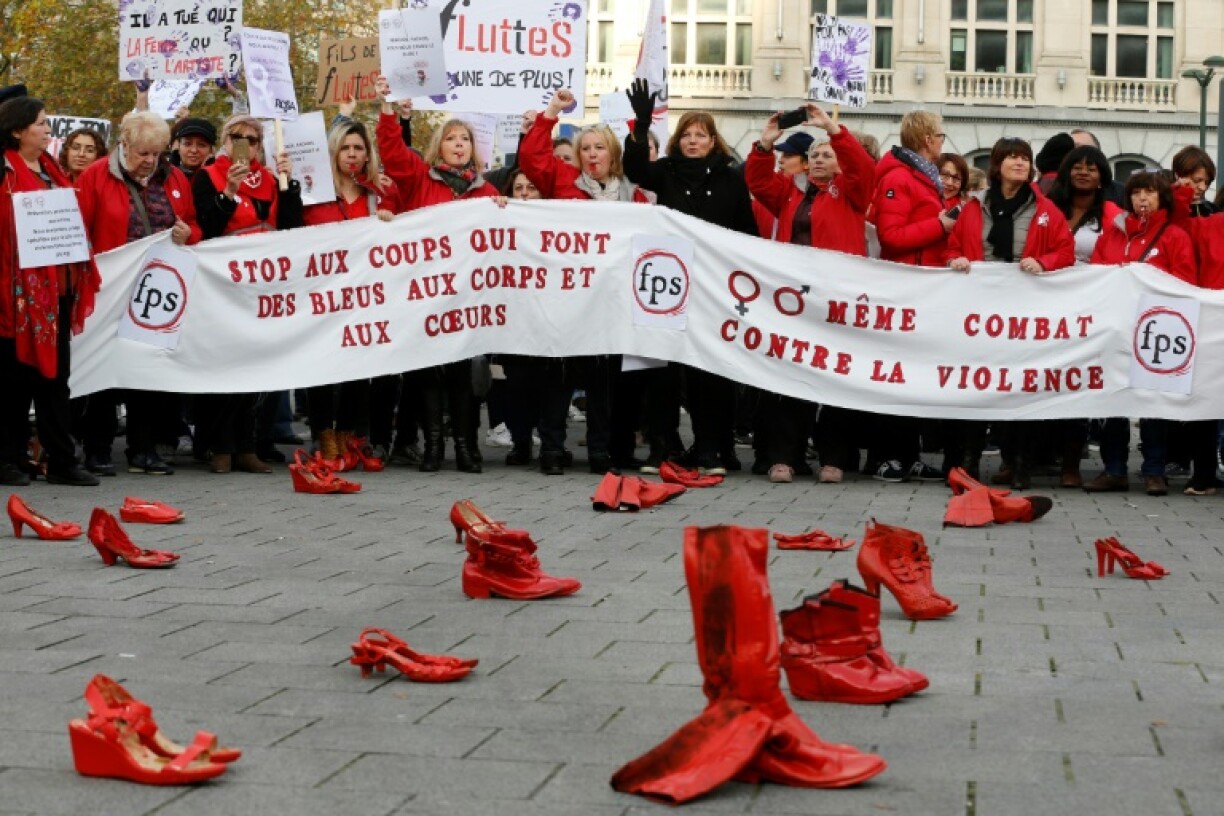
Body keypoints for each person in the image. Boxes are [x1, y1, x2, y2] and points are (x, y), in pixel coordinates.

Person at [624, 79, 758, 476]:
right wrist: (642, 125)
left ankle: (709, 449)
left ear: (714, 141)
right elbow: (634, 170)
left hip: (712, 286)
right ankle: (662, 447)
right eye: (687, 135)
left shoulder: (731, 179)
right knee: (664, 372)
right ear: (677, 141)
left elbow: (746, 232)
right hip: (668, 286)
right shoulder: (664, 173)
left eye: (701, 135)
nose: (693, 141)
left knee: (709, 373)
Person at [518, 89, 655, 475]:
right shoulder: (563, 180)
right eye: (586, 149)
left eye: (599, 148)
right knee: (559, 378)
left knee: (601, 382)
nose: (592, 155)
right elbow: (531, 158)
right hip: (567, 300)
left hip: (609, 303)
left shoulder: (633, 196)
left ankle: (599, 453)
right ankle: (552, 450)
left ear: (612, 153)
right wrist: (551, 113)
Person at [375, 74, 503, 474]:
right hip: (427, 290)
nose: (459, 144)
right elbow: (393, 153)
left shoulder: (487, 192)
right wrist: (386, 109)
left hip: (468, 295)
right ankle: (432, 447)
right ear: (439, 147)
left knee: (465, 372)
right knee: (428, 369)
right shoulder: (418, 178)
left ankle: (464, 447)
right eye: (451, 139)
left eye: (465, 139)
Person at [745, 103, 874, 484]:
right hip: (794, 301)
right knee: (792, 378)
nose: (819, 159)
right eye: (814, 154)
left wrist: (835, 132)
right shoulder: (788, 191)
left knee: (834, 378)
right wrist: (765, 145)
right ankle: (785, 456)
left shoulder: (851, 192)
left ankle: (833, 457)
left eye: (826, 155)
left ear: (838, 163)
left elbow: (864, 169)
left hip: (836, 298)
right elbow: (756, 182)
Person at [945, 136, 1076, 489]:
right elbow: (955, 244)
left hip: (1024, 311)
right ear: (997, 165)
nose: (1019, 164)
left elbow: (1065, 251)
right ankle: (968, 460)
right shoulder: (974, 207)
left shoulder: (1046, 210)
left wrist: (1044, 262)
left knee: (1018, 386)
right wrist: (955, 258)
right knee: (975, 383)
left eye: (1024, 159)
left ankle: (1019, 463)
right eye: (1012, 158)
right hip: (980, 310)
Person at [75, 111, 201, 477]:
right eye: (143, 153)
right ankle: (97, 449)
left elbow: (194, 223)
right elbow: (80, 232)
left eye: (157, 153)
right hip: (109, 290)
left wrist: (187, 234)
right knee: (104, 369)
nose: (151, 161)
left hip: (155, 292)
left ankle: (143, 449)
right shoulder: (95, 176)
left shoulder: (175, 177)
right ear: (124, 145)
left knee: (146, 370)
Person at [192, 114, 302, 475]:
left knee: (255, 364)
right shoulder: (208, 176)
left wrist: (289, 186)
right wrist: (228, 193)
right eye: (237, 136)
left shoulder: (271, 178)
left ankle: (247, 445)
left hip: (262, 283)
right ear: (225, 140)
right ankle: (219, 445)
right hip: (224, 283)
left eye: (252, 139)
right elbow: (207, 225)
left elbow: (289, 227)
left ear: (259, 147)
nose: (244, 143)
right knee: (226, 364)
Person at [0, 95, 100, 487]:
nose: (47, 129)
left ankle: (61, 460)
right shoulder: (4, 172)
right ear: (17, 130)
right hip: (15, 296)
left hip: (55, 292)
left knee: (55, 379)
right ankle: (8, 457)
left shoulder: (49, 170)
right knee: (13, 381)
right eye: (40, 123)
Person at [1084, 169, 1197, 496]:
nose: (1142, 199)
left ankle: (1154, 470)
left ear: (1161, 197)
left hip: (1155, 331)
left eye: (1149, 192)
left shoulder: (1174, 236)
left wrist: (1145, 279)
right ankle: (1114, 468)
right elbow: (1095, 275)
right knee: (1113, 399)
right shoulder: (1113, 235)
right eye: (1136, 193)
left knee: (1151, 400)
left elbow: (1184, 282)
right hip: (1115, 327)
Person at [302, 113, 400, 470]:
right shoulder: (312, 195)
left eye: (359, 147)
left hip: (364, 296)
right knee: (323, 368)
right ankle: (323, 435)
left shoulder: (380, 193)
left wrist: (390, 222)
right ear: (333, 152)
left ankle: (347, 435)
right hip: (323, 294)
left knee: (359, 366)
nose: (352, 154)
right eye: (345, 147)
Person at [865, 110, 953, 483]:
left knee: (912, 375)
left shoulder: (921, 178)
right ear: (927, 139)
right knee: (895, 375)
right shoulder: (900, 178)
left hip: (922, 286)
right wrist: (940, 225)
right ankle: (888, 456)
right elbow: (893, 237)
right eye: (940, 136)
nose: (942, 143)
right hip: (904, 286)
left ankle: (907, 453)